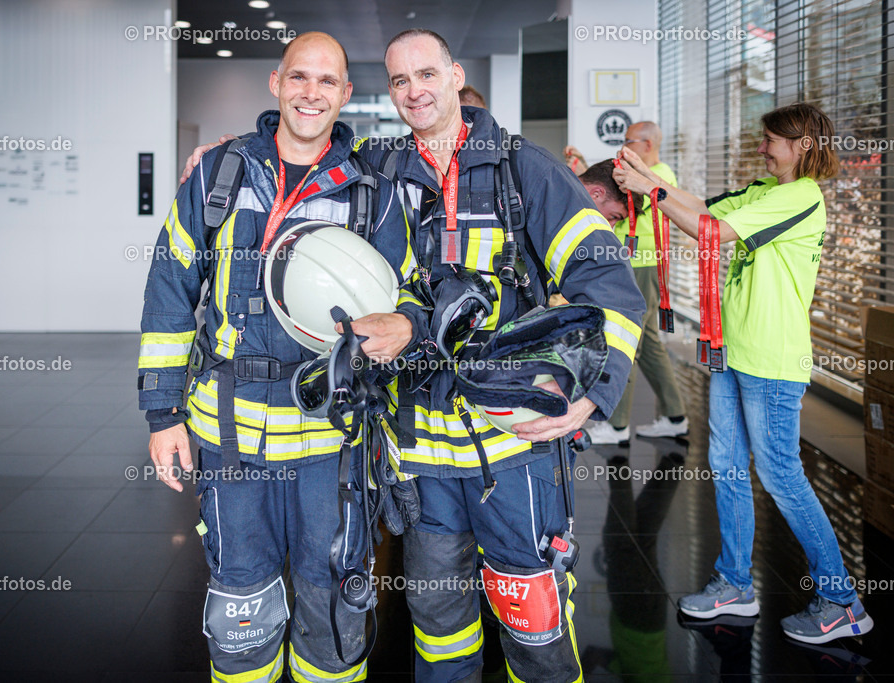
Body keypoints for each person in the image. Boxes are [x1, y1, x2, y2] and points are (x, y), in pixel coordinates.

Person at [184, 29, 645, 682]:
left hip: (513, 449)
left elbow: (612, 286)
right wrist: (233, 157)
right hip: (420, 460)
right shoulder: (378, 168)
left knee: (534, 622)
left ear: (455, 75)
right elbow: (301, 157)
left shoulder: (525, 171)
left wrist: (594, 394)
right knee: (438, 624)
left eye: (426, 74)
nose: (414, 91)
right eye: (399, 81)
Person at [140, 32, 425, 683]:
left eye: (327, 82)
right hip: (230, 435)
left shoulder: (370, 193)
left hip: (332, 440)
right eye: (300, 77)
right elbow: (169, 288)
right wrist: (162, 415)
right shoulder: (220, 173)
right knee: (241, 604)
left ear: (346, 95)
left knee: (332, 600)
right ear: (277, 83)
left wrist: (403, 323)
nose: (311, 93)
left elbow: (408, 292)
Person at [613, 102, 874, 644]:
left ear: (802, 145)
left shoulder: (799, 197)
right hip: (735, 354)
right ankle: (734, 583)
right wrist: (644, 182)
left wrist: (652, 193)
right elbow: (703, 206)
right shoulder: (765, 189)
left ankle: (842, 600)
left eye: (772, 139)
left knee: (780, 475)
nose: (762, 147)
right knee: (727, 464)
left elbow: (713, 232)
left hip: (772, 362)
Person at [585, 122, 688, 445]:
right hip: (638, 264)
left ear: (646, 144)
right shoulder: (642, 175)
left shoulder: (658, 177)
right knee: (651, 346)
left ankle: (617, 425)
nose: (624, 146)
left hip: (643, 266)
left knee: (626, 341)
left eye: (628, 140)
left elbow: (628, 210)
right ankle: (675, 416)